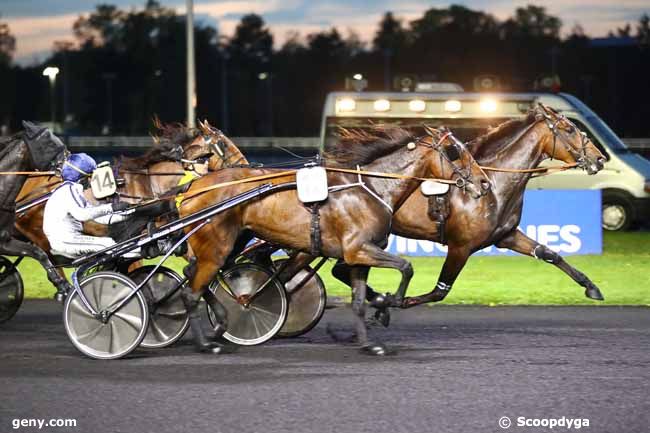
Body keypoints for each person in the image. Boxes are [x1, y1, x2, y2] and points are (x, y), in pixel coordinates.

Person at [43, 153, 134, 259]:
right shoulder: (68, 190)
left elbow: (100, 218)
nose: (91, 181)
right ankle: (140, 252)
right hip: (65, 241)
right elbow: (82, 215)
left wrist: (131, 212)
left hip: (71, 239)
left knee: (107, 244)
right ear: (81, 177)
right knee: (106, 243)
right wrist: (111, 207)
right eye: (90, 176)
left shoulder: (74, 190)